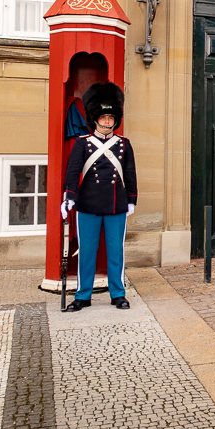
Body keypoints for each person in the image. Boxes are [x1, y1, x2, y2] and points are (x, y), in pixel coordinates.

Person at [61, 82, 138, 311]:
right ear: (95, 118)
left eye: (110, 118)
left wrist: (132, 199)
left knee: (116, 252)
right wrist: (69, 197)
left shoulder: (124, 144)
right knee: (86, 252)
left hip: (116, 205)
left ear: (116, 120)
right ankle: (83, 295)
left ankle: (117, 293)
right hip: (88, 205)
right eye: (103, 117)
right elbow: (73, 171)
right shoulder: (82, 143)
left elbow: (130, 173)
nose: (107, 122)